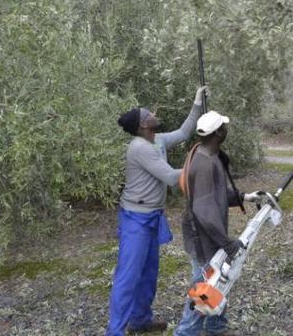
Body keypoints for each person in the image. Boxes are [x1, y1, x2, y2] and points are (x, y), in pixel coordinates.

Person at [105, 86, 207, 336]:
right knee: (128, 276)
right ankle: (114, 331)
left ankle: (140, 320)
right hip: (135, 220)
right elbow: (172, 177)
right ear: (142, 126)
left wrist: (196, 103)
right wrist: (206, 166)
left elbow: (184, 133)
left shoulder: (157, 140)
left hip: (152, 216)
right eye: (148, 113)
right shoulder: (139, 148)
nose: (153, 113)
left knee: (149, 272)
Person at [173, 110, 264, 336]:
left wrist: (244, 197)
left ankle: (216, 326)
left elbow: (217, 195)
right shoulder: (205, 164)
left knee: (221, 279)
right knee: (203, 289)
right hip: (204, 239)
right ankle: (185, 332)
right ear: (219, 134)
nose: (227, 129)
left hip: (209, 236)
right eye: (224, 127)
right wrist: (226, 242)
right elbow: (204, 210)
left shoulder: (207, 155)